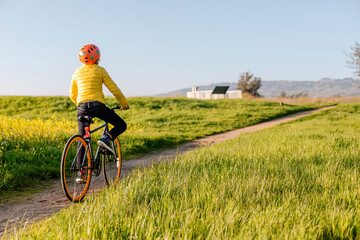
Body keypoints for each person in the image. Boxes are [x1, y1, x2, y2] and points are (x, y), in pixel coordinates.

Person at [69, 44, 129, 183]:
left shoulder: (77, 73)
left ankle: (80, 172)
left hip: (82, 107)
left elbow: (72, 94)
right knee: (121, 124)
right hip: (97, 106)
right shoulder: (100, 70)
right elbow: (114, 89)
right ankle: (105, 139)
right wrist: (124, 104)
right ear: (97, 58)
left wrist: (80, 105)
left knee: (82, 137)